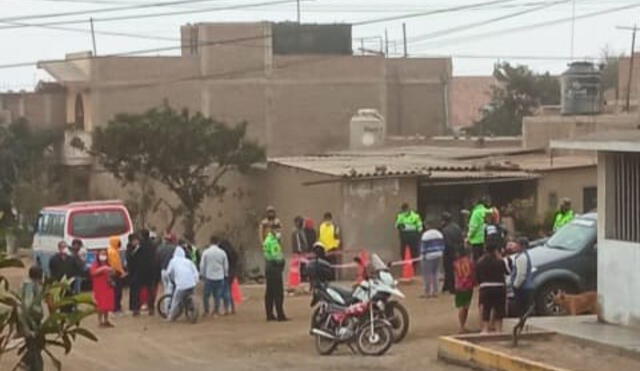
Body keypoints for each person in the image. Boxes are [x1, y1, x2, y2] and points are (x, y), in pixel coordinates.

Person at [475, 243, 508, 333]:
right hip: (499, 286)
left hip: (485, 287)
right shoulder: (500, 261)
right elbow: (507, 272)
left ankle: (485, 329)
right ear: (495, 250)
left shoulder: (480, 262)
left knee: (486, 308)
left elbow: (477, 277)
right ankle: (498, 330)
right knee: (499, 309)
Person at [166, 245, 199, 321]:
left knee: (176, 300)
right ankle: (191, 308)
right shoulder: (188, 261)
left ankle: (171, 317)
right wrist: (195, 280)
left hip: (181, 285)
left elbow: (169, 272)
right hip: (192, 283)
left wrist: (171, 279)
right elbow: (195, 272)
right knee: (190, 295)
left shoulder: (173, 261)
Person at [130, 229, 158, 316]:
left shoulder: (140, 245)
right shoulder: (153, 245)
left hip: (140, 271)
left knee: (136, 290)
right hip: (151, 270)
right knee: (151, 290)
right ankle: (151, 308)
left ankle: (136, 309)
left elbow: (133, 255)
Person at [200, 236, 230, 316]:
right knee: (217, 295)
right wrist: (225, 274)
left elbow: (202, 265)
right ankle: (216, 311)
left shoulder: (206, 252)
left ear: (210, 242)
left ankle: (206, 311)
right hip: (220, 276)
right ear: (218, 242)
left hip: (209, 276)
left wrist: (202, 274)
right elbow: (225, 265)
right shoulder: (222, 252)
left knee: (206, 295)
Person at [263, 229, 288, 321]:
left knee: (269, 293)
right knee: (278, 293)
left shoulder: (267, 239)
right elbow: (276, 256)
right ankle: (280, 315)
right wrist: (281, 262)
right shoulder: (272, 241)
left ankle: (269, 314)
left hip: (269, 268)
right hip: (274, 268)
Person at [90, 249, 115, 328]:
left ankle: (106, 320)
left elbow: (113, 273)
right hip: (99, 287)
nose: (103, 255)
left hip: (108, 286)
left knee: (107, 304)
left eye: (105, 254)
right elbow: (93, 272)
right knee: (100, 305)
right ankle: (100, 321)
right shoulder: (95, 264)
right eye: (102, 254)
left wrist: (111, 272)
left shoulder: (109, 263)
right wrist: (103, 268)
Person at [420, 221, 445, 298]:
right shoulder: (439, 234)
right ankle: (435, 291)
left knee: (427, 274)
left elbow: (423, 248)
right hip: (438, 255)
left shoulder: (425, 235)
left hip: (428, 256)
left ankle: (427, 292)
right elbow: (443, 245)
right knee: (436, 273)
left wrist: (422, 255)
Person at [453, 247, 475, 333]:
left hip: (459, 286)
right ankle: (462, 326)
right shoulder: (470, 262)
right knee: (465, 306)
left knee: (462, 306)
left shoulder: (456, 263)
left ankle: (462, 326)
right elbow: (472, 274)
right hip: (468, 286)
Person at [441, 212, 463, 294]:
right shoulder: (457, 227)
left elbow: (447, 243)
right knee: (457, 270)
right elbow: (461, 239)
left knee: (448, 270)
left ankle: (451, 288)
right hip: (458, 251)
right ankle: (446, 286)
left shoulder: (445, 230)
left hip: (449, 252)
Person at [510, 237, 533, 317]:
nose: (515, 246)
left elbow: (521, 274)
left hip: (523, 288)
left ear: (523, 246)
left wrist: (515, 285)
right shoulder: (521, 256)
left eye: (517, 244)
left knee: (522, 309)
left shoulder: (522, 257)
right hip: (525, 287)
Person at [155, 233, 177, 314]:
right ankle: (171, 308)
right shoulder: (175, 249)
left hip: (163, 271)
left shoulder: (160, 248)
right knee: (172, 289)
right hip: (173, 271)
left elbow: (157, 260)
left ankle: (166, 308)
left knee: (166, 289)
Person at [318, 212, 341, 280]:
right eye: (326, 218)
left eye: (328, 218)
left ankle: (332, 279)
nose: (327, 220)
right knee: (323, 266)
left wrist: (335, 247)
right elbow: (319, 237)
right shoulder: (321, 226)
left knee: (331, 266)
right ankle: (324, 278)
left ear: (331, 219)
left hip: (332, 249)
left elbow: (337, 238)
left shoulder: (335, 226)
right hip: (322, 249)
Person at [107, 236, 126, 315]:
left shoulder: (113, 251)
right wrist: (122, 272)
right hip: (115, 273)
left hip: (114, 273)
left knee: (116, 291)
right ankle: (116, 307)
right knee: (117, 291)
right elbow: (116, 265)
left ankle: (116, 307)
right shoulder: (113, 252)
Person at [467, 196, 491, 261]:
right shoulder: (489, 211)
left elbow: (473, 227)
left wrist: (468, 238)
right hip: (488, 240)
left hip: (476, 241)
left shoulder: (476, 213)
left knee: (478, 260)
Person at [219, 238, 238, 314]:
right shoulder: (233, 252)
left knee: (225, 291)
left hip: (225, 273)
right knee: (230, 291)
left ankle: (226, 308)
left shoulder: (223, 253)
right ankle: (233, 308)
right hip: (232, 273)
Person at [292, 216, 311, 282]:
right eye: (302, 222)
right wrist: (300, 251)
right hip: (299, 252)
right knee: (301, 265)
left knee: (304, 265)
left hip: (303, 251)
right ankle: (302, 278)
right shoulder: (296, 231)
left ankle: (304, 277)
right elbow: (298, 242)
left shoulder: (301, 231)